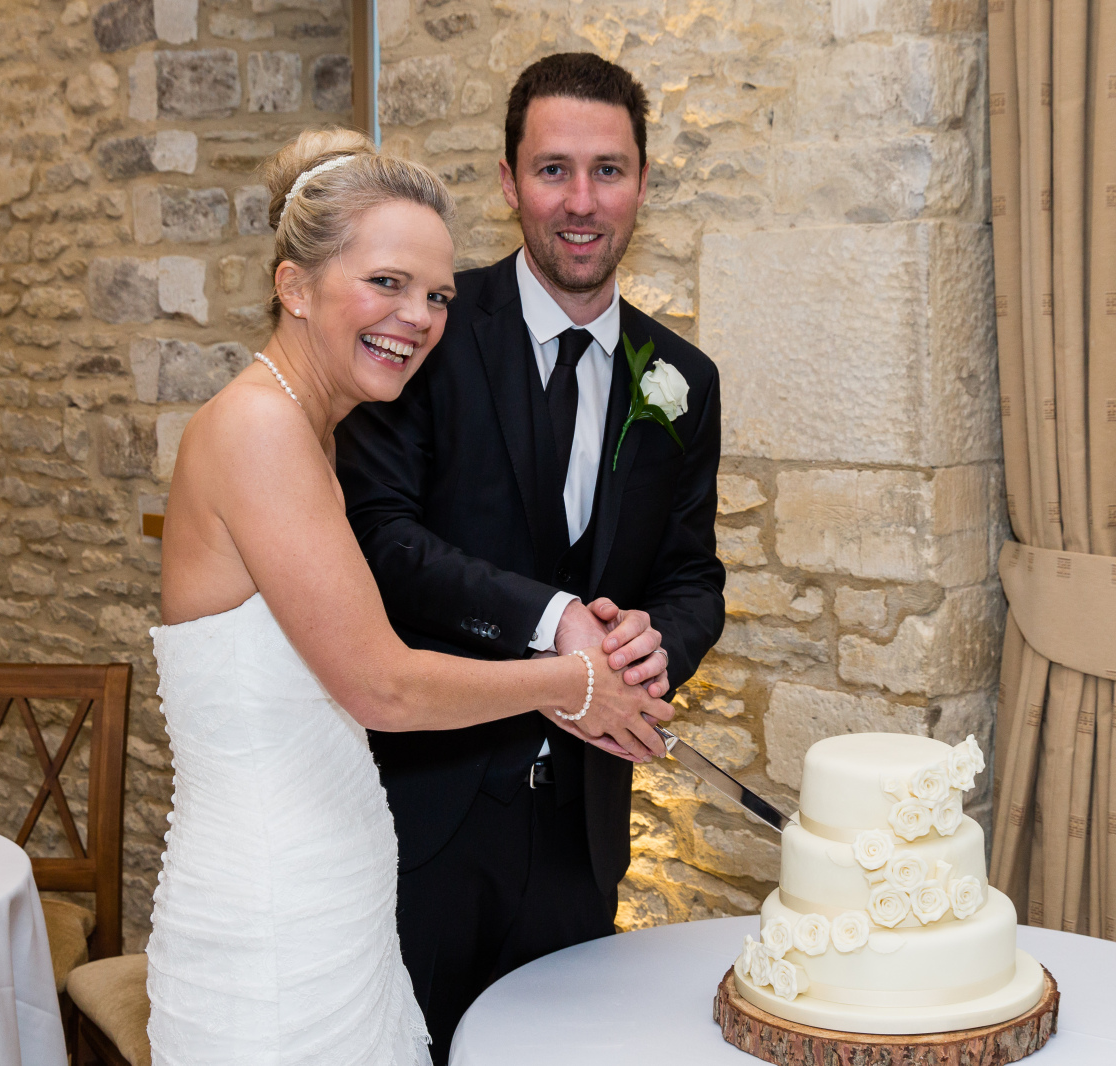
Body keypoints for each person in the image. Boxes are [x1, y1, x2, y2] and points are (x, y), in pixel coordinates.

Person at [145, 128, 675, 1065]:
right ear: (294, 285)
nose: (420, 317)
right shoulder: (258, 430)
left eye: (436, 295)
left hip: (335, 901)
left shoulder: (310, 433)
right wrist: (572, 683)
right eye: (387, 282)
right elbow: (380, 686)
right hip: (272, 924)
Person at [334, 52, 726, 1059]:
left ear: (642, 183)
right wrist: (553, 622)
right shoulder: (423, 334)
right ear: (509, 182)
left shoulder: (683, 378)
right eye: (554, 170)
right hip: (424, 813)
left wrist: (655, 646)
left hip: (581, 835)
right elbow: (382, 540)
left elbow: (692, 576)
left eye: (608, 170)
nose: (581, 201)